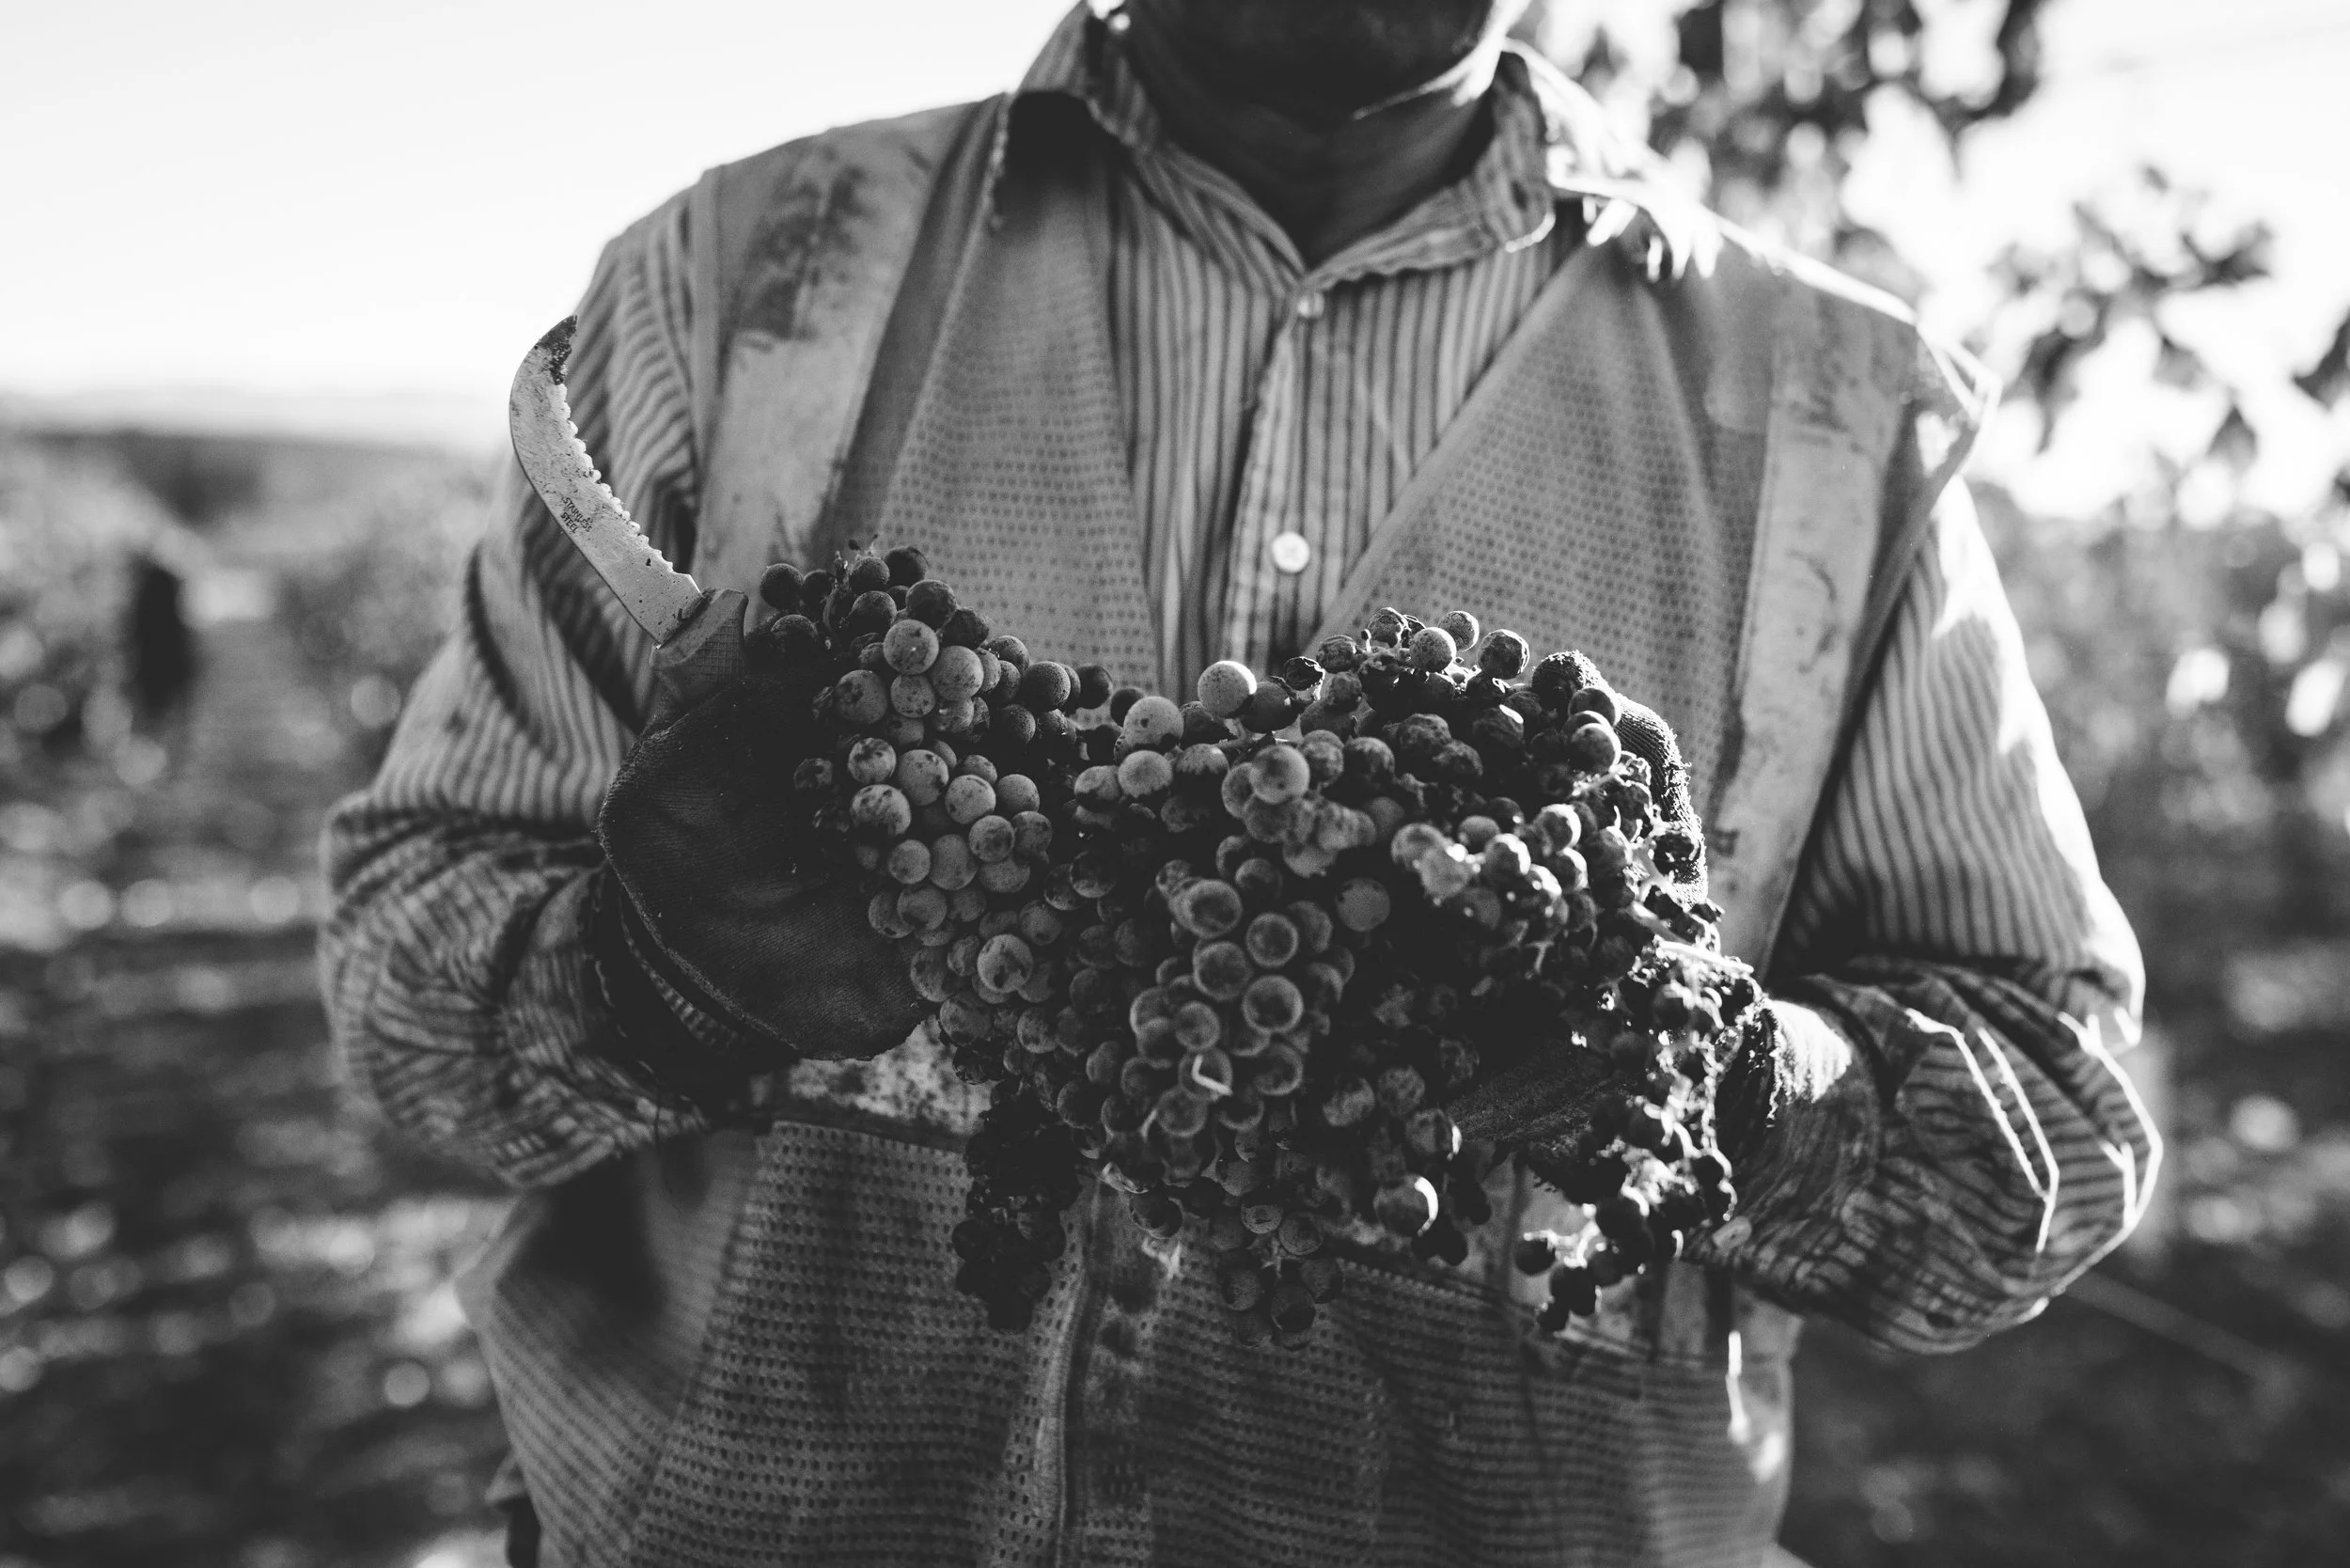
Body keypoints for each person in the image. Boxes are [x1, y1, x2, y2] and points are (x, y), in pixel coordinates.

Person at [320, 3, 2157, 1563]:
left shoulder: (1834, 411)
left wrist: (1718, 1075)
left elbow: (2045, 1153)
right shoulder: (737, 290)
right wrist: (646, 980)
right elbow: (403, 1018)